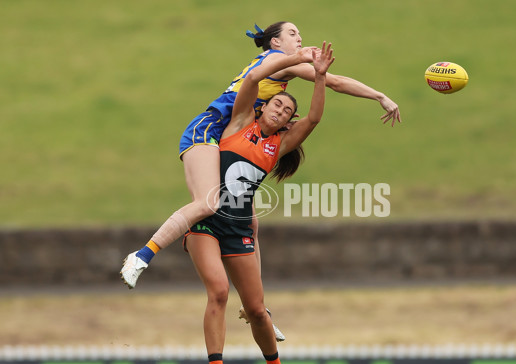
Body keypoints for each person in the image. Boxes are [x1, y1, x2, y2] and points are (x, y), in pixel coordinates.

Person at [120, 21, 401, 290]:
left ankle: (256, 305)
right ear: (275, 42)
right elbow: (334, 82)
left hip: (230, 138)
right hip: (208, 130)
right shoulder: (277, 60)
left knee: (250, 223)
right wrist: (379, 96)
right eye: (293, 33)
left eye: (300, 34)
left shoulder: (280, 65)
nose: (300, 38)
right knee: (207, 204)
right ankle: (142, 256)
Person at [184, 41, 335, 364]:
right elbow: (252, 79)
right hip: (206, 222)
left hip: (238, 229)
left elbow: (313, 118)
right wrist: (294, 59)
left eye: (285, 110)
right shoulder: (238, 123)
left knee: (256, 310)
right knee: (219, 292)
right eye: (276, 104)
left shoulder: (278, 145)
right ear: (263, 106)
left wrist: (321, 77)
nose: (280, 111)